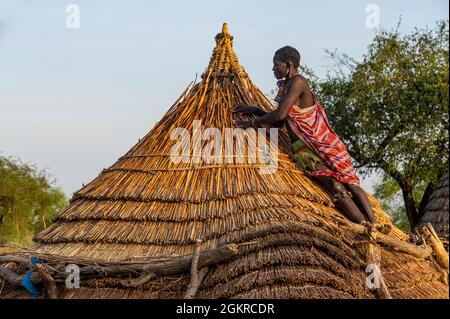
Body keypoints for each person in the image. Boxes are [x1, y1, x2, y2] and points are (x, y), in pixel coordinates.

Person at [233, 46, 377, 225]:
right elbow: (280, 122)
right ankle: (364, 226)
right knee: (334, 185)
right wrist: (257, 111)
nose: (273, 69)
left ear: (289, 64)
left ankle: (374, 225)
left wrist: (252, 122)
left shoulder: (298, 82)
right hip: (303, 150)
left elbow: (279, 115)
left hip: (324, 142)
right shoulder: (285, 87)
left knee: (350, 183)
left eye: (276, 65)